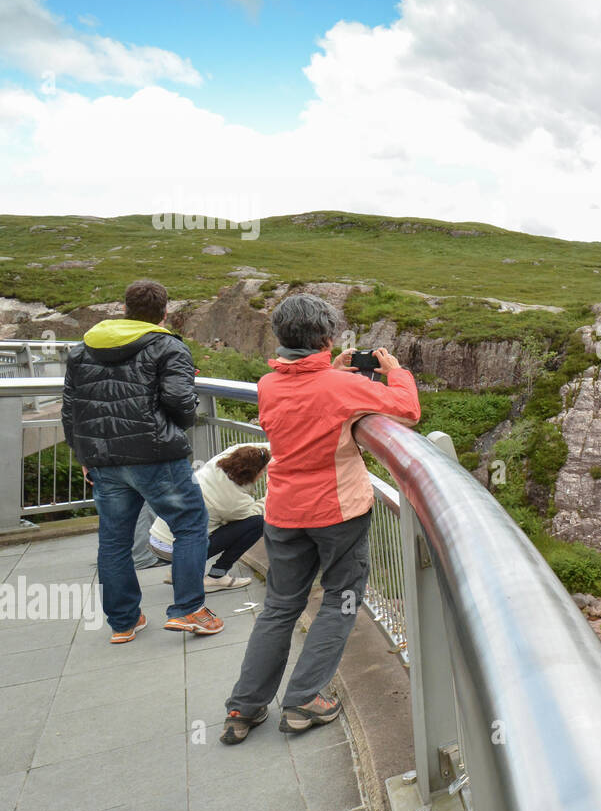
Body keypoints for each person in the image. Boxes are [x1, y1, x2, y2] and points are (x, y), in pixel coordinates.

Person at [221, 295, 419, 744]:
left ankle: (244, 706)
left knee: (279, 606)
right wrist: (394, 371)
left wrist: (335, 367)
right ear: (326, 337)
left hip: (284, 510)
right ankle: (304, 698)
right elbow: (407, 409)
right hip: (337, 512)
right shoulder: (338, 387)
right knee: (341, 598)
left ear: (281, 338)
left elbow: (310, 389)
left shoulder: (268, 384)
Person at [62, 279, 223, 643]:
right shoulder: (167, 346)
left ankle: (123, 622)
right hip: (155, 455)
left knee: (114, 540)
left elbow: (70, 409)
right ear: (164, 312)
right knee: (190, 524)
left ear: (124, 309)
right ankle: (189, 610)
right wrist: (177, 429)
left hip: (104, 459)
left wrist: (82, 454)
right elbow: (182, 401)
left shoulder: (82, 350)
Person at [150, 443, 270, 592]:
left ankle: (180, 572)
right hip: (174, 549)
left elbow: (242, 446)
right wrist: (272, 489)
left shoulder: (218, 462)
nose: (264, 472)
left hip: (157, 538)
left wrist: (274, 449)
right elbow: (260, 511)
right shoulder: (233, 501)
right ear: (253, 473)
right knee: (257, 523)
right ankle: (216, 576)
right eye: (263, 470)